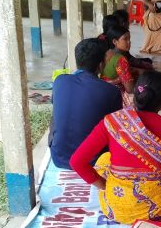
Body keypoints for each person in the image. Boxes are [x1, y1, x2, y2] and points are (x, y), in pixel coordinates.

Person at [70, 71, 161, 224]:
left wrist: (104, 186)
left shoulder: (112, 121)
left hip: (117, 207)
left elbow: (76, 162)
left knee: (104, 159)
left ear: (135, 94)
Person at [49, 38, 122, 169]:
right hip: (92, 162)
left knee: (57, 113)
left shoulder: (59, 81)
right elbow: (115, 130)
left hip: (58, 157)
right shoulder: (111, 91)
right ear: (101, 65)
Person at [101, 25, 137, 96]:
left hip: (103, 90)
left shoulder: (107, 52)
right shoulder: (121, 60)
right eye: (125, 39)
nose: (129, 42)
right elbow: (130, 90)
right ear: (115, 41)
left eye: (129, 39)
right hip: (114, 95)